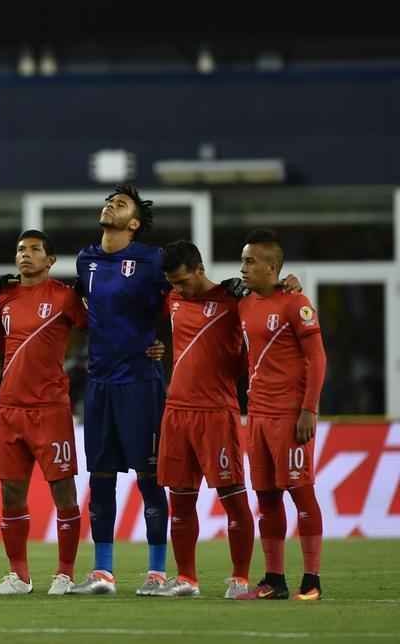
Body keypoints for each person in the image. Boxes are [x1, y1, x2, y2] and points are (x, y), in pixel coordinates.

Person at [71, 185, 172, 596]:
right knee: (101, 478)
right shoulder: (86, 260)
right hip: (99, 384)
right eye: (109, 201)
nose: (110, 206)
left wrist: (166, 342)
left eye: (121, 204)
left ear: (133, 223)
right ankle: (103, 572)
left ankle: (157, 573)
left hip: (140, 382)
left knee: (150, 478)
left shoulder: (153, 259)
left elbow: (184, 297)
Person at [154, 240, 256, 599]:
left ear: (200, 269)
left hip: (216, 413)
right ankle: (187, 579)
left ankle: (240, 578)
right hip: (176, 412)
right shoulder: (172, 298)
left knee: (233, 499)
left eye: (184, 281)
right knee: (180, 502)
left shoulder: (234, 301)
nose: (179, 289)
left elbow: (270, 305)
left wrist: (288, 284)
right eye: (174, 283)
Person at [0, 230, 88, 596]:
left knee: (64, 492)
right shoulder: (4, 296)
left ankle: (65, 573)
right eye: (21, 249)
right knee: (11, 493)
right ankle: (19, 576)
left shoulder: (65, 297)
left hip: (50, 409)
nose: (26, 255)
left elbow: (99, 328)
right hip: (9, 409)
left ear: (50, 261)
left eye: (34, 250)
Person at [237, 229, 327, 601]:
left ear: (271, 266)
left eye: (250, 261)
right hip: (257, 415)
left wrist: (309, 409)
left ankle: (312, 580)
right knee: (267, 497)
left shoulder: (295, 303)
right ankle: (274, 579)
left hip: (289, 415)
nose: (243, 268)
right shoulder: (243, 303)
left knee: (301, 493)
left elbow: (317, 358)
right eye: (242, 260)